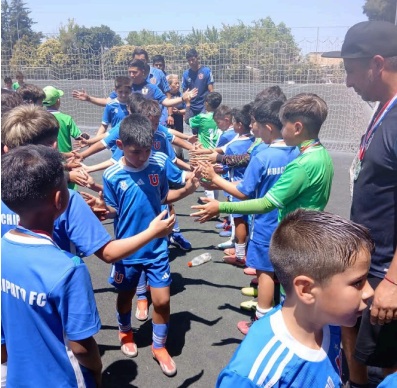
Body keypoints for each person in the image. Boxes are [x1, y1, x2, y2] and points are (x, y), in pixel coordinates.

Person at [216, 209, 374, 387]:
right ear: (306, 290)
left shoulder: (330, 321)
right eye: (358, 282)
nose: (370, 292)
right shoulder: (252, 375)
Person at [1, 104, 176, 265]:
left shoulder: (6, 191)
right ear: (54, 147)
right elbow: (109, 253)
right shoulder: (66, 200)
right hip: (60, 283)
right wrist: (153, 232)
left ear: (6, 150)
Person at [322, 20, 397, 387]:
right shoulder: (384, 111)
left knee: (387, 359)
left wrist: (393, 282)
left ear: (377, 64)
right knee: (362, 346)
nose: (348, 83)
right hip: (373, 262)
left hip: (388, 274)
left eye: (351, 71)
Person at [102, 113, 198, 376]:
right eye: (135, 152)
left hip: (157, 248)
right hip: (128, 248)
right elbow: (112, 209)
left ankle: (159, 346)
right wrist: (102, 209)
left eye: (146, 150)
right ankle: (125, 331)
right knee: (125, 296)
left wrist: (188, 189)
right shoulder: (112, 175)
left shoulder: (158, 163)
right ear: (121, 146)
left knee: (163, 300)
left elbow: (165, 195)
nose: (142, 157)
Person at [1, 145, 102, 387]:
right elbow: (81, 346)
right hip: (63, 379)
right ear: (59, 200)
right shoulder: (69, 269)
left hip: (18, 376)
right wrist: (97, 373)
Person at [199, 98, 299, 335]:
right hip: (290, 223)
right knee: (285, 272)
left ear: (269, 127)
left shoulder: (262, 156)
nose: (254, 129)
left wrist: (215, 179)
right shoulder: (298, 152)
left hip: (265, 224)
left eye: (257, 124)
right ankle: (286, 316)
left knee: (265, 273)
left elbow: (244, 192)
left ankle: (261, 322)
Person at [191, 93, 334, 225]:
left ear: (297, 128)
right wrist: (218, 182)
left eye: (283, 125)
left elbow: (266, 204)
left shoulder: (302, 165)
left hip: (294, 233)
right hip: (307, 228)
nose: (281, 130)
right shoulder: (321, 155)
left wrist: (221, 206)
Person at [182, 48, 214, 123]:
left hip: (203, 106)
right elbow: (185, 93)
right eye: (189, 60)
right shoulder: (186, 74)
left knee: (203, 127)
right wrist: (186, 108)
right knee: (194, 129)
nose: (191, 62)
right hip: (192, 106)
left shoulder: (206, 71)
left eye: (193, 59)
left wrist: (211, 106)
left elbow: (211, 91)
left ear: (197, 58)